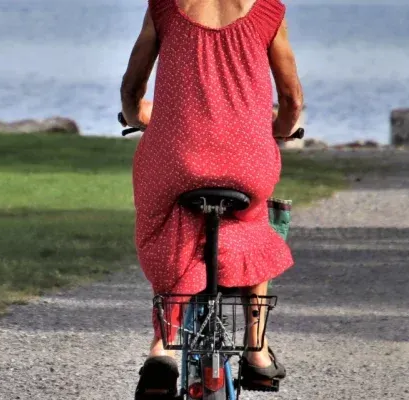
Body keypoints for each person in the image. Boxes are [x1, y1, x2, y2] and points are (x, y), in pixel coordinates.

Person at [118, 0, 303, 397]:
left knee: (165, 221)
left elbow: (133, 86)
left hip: (175, 157)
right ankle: (256, 348)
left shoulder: (164, 6)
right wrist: (281, 130)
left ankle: (163, 347)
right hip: (246, 160)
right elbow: (292, 101)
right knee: (254, 223)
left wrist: (136, 117)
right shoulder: (269, 9)